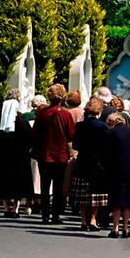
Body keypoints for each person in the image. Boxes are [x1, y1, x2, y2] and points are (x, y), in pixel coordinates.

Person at [32, 83, 76, 225]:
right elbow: (70, 135)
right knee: (58, 186)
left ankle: (45, 215)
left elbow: (35, 133)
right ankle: (55, 215)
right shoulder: (65, 114)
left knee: (45, 186)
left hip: (44, 153)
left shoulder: (42, 113)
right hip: (60, 154)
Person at [70, 97, 110, 233]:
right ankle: (93, 219)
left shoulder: (79, 126)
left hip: (83, 161)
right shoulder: (103, 127)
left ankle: (82, 220)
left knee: (82, 193)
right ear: (99, 110)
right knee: (96, 193)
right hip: (98, 163)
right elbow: (107, 146)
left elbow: (75, 145)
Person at [0, 89, 33, 217]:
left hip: (3, 155)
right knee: (18, 182)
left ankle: (6, 208)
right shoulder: (22, 120)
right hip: (20, 156)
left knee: (4, 180)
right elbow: (29, 138)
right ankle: (15, 208)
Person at [104, 111, 130, 239]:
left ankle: (115, 228)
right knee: (128, 201)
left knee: (116, 201)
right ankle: (125, 228)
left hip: (116, 170)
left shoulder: (110, 133)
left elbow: (107, 154)